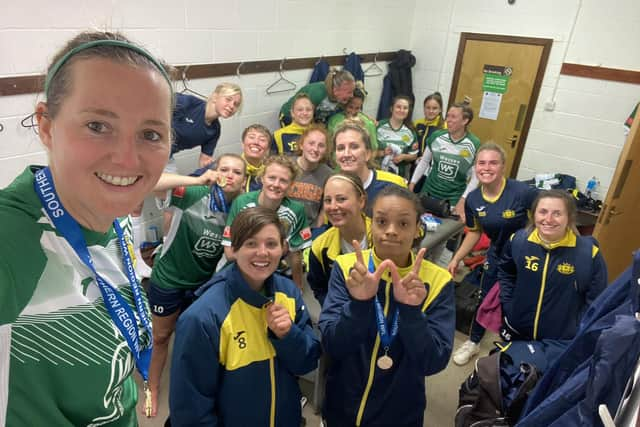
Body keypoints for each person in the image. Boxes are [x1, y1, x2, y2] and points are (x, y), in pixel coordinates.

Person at [0, 31, 172, 425]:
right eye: (98, 125)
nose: (128, 160)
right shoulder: (11, 239)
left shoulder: (112, 215)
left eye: (150, 134)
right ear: (46, 126)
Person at [169, 207, 321, 426]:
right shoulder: (202, 317)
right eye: (251, 243)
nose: (262, 253)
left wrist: (288, 335)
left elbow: (307, 363)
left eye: (271, 244)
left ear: (283, 248)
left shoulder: (288, 292)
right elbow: (190, 409)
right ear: (234, 248)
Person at [319, 186, 455, 426]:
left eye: (403, 224)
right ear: (371, 224)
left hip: (398, 415)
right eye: (382, 221)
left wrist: (412, 313)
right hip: (341, 407)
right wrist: (359, 304)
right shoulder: (348, 268)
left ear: (417, 229)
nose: (391, 231)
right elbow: (333, 344)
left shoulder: (436, 281)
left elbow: (433, 362)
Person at [145, 153, 246, 416]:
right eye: (225, 169)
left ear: (244, 181)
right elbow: (152, 182)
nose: (231, 175)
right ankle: (152, 387)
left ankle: (195, 391)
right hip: (168, 279)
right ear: (215, 172)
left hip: (202, 286)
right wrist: (198, 178)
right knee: (161, 337)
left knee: (194, 341)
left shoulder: (239, 212)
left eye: (237, 172)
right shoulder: (194, 194)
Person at [446, 144, 538, 365]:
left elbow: (542, 221)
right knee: (484, 298)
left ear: (503, 166)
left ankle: (515, 349)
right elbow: (475, 232)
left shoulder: (523, 193)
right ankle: (473, 342)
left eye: (493, 163)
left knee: (519, 304)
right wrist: (457, 257)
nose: (486, 168)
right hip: (497, 255)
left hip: (526, 258)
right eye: (481, 163)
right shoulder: (474, 200)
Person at [498, 189, 608, 342]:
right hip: (517, 327)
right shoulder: (518, 241)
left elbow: (597, 298)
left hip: (559, 339)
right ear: (533, 214)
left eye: (557, 213)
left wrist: (578, 327)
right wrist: (509, 305)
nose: (548, 219)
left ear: (569, 218)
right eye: (542, 212)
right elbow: (506, 273)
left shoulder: (588, 253)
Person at [223, 155, 312, 289]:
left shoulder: (296, 210)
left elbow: (295, 254)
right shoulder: (242, 203)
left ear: (291, 185)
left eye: (283, 181)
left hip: (272, 268)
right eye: (271, 178)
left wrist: (298, 287)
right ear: (262, 178)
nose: (276, 184)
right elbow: (230, 253)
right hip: (238, 267)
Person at [307, 172, 372, 306]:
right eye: (327, 200)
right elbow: (319, 288)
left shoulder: (383, 237)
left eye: (341, 199)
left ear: (361, 201)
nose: (333, 207)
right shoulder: (320, 247)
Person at [409, 101, 480, 221]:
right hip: (428, 193)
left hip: (453, 198)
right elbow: (424, 162)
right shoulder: (437, 136)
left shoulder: (474, 144)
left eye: (453, 117)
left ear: (465, 121)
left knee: (445, 234)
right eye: (447, 116)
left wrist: (463, 199)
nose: (448, 120)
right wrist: (412, 184)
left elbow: (476, 176)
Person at [334, 120, 407, 215]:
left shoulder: (394, 185)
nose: (346, 154)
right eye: (341, 148)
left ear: (368, 154)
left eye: (354, 147)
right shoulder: (333, 188)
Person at [171, 82, 243, 170]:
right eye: (228, 99)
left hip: (165, 156)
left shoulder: (215, 130)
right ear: (215, 97)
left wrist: (219, 171)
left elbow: (205, 161)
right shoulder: (187, 103)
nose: (232, 106)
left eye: (236, 104)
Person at [287, 124, 333, 227]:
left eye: (321, 145)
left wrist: (317, 230)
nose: (315, 149)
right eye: (311, 143)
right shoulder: (286, 166)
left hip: (308, 231)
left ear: (325, 150)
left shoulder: (328, 175)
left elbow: (324, 208)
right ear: (301, 145)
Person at [279, 69, 356, 126]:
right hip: (288, 116)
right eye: (349, 92)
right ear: (336, 90)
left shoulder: (342, 99)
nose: (352, 95)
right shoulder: (318, 94)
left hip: (312, 118)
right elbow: (306, 116)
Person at [327, 82, 379, 152]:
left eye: (357, 108)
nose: (353, 111)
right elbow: (329, 147)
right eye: (350, 107)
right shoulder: (334, 121)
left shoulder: (368, 123)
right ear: (344, 104)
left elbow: (373, 149)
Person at [376, 95, 419, 180]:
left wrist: (403, 156)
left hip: (399, 177)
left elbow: (414, 156)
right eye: (398, 107)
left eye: (405, 108)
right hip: (378, 175)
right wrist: (383, 153)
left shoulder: (410, 131)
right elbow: (368, 151)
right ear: (392, 108)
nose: (402, 110)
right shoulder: (379, 126)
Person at [240, 123, 272, 192]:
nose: (256, 142)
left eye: (262, 140)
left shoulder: (271, 173)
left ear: (268, 150)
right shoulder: (230, 169)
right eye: (251, 137)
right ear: (242, 144)